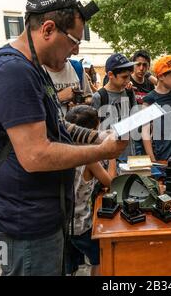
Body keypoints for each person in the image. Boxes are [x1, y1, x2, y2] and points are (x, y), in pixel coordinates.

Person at [0, 0, 127, 276]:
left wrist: (96, 135)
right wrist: (99, 152)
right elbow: (35, 155)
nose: (75, 50)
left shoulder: (30, 68)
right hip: (26, 226)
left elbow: (56, 123)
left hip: (36, 218)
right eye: (73, 41)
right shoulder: (13, 73)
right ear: (47, 29)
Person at [64, 105, 116, 276]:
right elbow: (110, 182)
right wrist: (112, 157)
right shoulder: (88, 157)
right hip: (82, 225)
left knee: (69, 265)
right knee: (100, 259)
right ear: (94, 130)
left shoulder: (63, 150)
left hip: (64, 224)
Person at [91, 53, 138, 160]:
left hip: (129, 153)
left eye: (129, 76)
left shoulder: (129, 92)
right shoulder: (99, 97)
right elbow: (94, 131)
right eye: (124, 77)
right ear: (111, 75)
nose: (127, 81)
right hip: (109, 156)